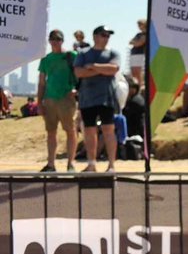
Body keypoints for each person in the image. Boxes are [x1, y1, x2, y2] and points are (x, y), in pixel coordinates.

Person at [74, 25, 122, 173]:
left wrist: (93, 67)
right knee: (89, 131)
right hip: (87, 98)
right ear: (95, 36)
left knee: (108, 129)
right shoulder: (83, 53)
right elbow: (79, 72)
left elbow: (113, 69)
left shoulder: (113, 53)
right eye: (103, 35)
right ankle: (91, 163)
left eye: (108, 35)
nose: (106, 38)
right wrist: (102, 70)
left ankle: (111, 165)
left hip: (107, 98)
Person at [36, 29, 78, 172]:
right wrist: (39, 102)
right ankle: (51, 164)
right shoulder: (46, 59)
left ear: (62, 40)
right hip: (50, 99)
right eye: (53, 39)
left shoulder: (71, 56)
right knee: (51, 132)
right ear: (49, 41)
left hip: (66, 98)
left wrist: (77, 90)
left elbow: (81, 75)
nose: (55, 42)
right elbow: (41, 82)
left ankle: (71, 163)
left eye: (58, 39)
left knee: (70, 131)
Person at [128, 19, 147, 85]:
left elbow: (140, 43)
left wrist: (135, 42)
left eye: (140, 24)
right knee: (133, 72)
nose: (138, 26)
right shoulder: (139, 34)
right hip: (134, 54)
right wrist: (135, 42)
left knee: (138, 72)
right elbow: (130, 42)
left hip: (140, 54)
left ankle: (139, 87)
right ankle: (135, 86)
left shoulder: (146, 34)